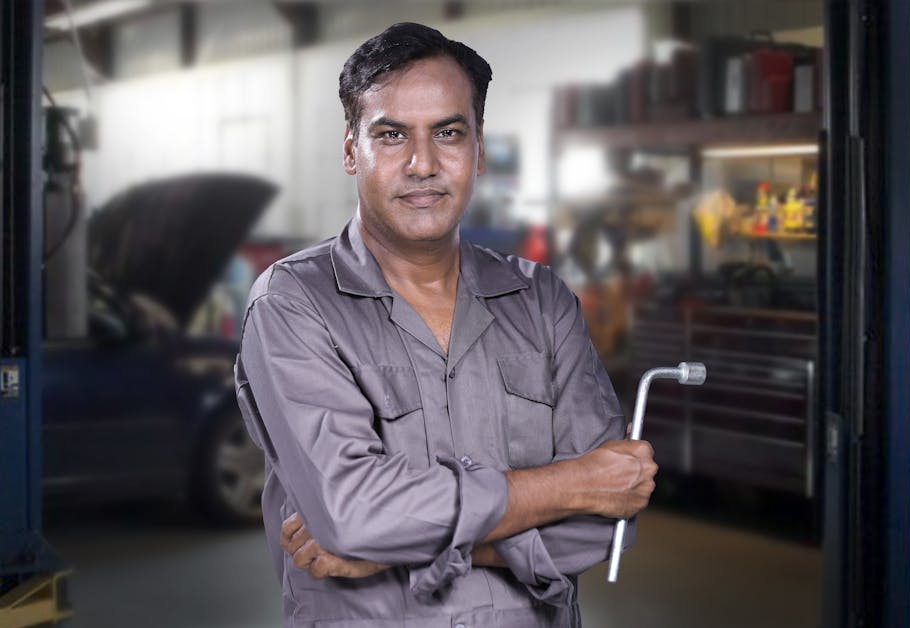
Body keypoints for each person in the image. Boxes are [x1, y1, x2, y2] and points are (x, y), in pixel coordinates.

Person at [234, 22, 657, 628]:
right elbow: (351, 514)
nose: (423, 163)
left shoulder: (541, 302)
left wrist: (395, 553)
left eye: (449, 133)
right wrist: (572, 481)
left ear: (479, 149)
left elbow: (604, 525)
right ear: (352, 149)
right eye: (391, 134)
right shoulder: (293, 305)